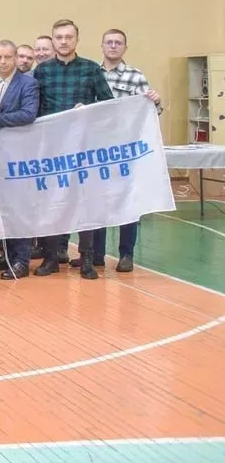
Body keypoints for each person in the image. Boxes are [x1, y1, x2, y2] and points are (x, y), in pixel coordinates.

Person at [32, 19, 113, 280]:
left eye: (69, 37)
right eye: (59, 37)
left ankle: (87, 257)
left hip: (82, 147)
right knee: (52, 201)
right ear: (53, 40)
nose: (64, 41)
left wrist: (88, 111)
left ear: (77, 40)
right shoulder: (42, 71)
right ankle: (51, 257)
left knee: (84, 201)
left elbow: (108, 105)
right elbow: (34, 108)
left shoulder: (91, 69)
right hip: (52, 147)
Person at [92, 28, 161, 273]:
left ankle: (126, 254)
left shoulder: (135, 76)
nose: (113, 46)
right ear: (102, 46)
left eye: (118, 43)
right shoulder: (92, 74)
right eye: (109, 42)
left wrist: (155, 101)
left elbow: (150, 111)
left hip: (125, 149)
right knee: (97, 201)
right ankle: (95, 254)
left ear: (125, 47)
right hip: (97, 148)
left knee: (128, 201)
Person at [0, 40, 40, 280]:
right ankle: (6, 255)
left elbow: (28, 114)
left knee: (17, 207)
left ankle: (21, 259)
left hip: (18, 156)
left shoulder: (28, 83)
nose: (3, 62)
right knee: (0, 207)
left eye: (8, 57)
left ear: (15, 58)